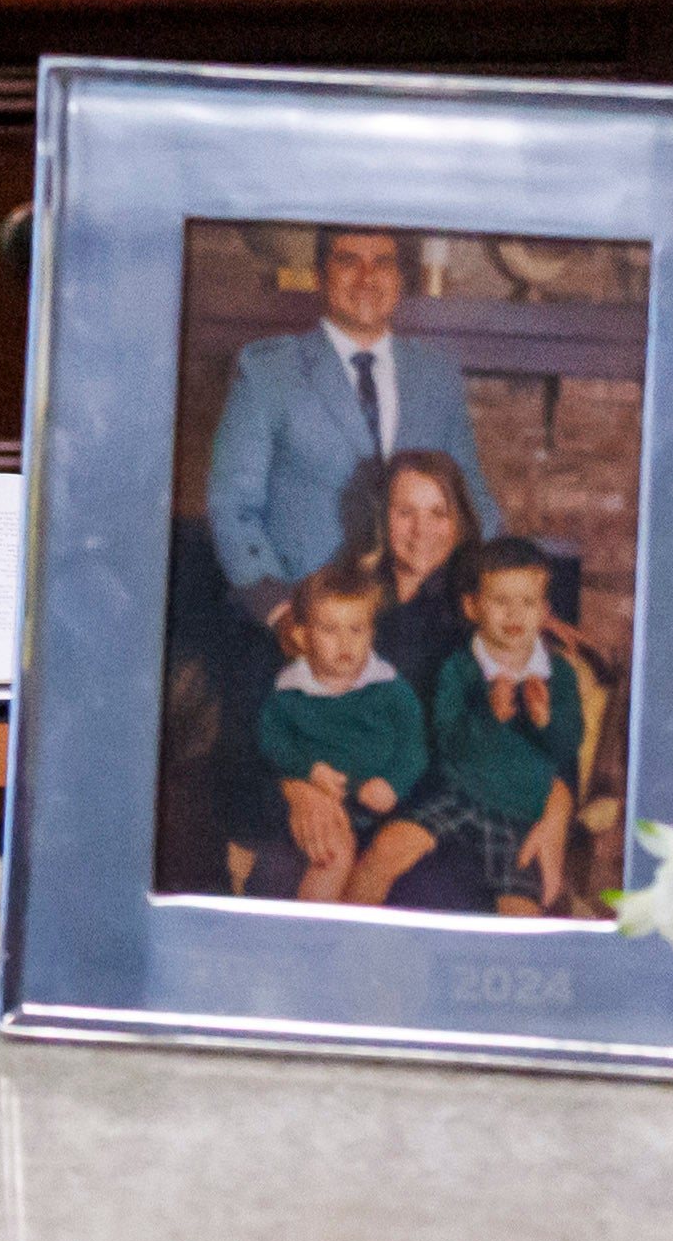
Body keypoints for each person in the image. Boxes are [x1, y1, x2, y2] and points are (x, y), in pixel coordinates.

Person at [208, 227, 483, 631]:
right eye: (348, 260)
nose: (367, 277)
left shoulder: (436, 374)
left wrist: (510, 591)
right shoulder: (268, 370)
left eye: (383, 263)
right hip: (307, 618)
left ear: (401, 280)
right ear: (320, 275)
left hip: (418, 620)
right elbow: (232, 505)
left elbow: (472, 496)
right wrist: (279, 610)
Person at [433, 533, 616, 916]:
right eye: (501, 602)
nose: (515, 615)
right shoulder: (460, 667)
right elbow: (446, 740)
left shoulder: (558, 673)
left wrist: (543, 720)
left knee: (521, 908)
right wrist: (489, 716)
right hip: (456, 798)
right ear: (473, 606)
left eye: (528, 603)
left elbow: (567, 745)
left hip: (520, 812)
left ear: (544, 610)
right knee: (389, 853)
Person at [252, 555, 444, 905]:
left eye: (357, 629)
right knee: (331, 856)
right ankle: (317, 938)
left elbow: (414, 745)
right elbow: (272, 743)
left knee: (382, 867)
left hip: (385, 806)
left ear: (371, 632)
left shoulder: (389, 686)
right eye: (329, 630)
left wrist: (393, 783)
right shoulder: (289, 691)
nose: (345, 643)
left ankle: (352, 938)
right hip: (328, 806)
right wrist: (307, 771)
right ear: (302, 635)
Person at [364, 439, 491, 700]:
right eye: (405, 512)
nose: (421, 530)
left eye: (438, 513)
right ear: (383, 517)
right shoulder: (354, 593)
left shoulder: (476, 609)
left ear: (459, 521)